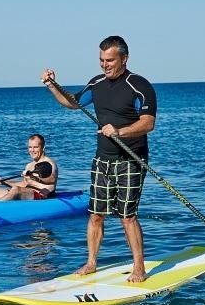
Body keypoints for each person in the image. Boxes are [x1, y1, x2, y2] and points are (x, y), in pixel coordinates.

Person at [41, 35, 157, 283]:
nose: (105, 65)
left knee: (127, 216)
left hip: (131, 159)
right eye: (101, 60)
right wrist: (52, 85)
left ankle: (139, 267)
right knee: (95, 214)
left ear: (124, 59)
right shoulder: (97, 83)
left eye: (110, 60)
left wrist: (119, 131)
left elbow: (148, 123)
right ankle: (91, 262)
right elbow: (72, 103)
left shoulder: (139, 85)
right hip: (102, 159)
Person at [0, 134, 57, 202]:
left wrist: (33, 176)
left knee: (16, 190)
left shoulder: (50, 163)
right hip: (24, 193)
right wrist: (4, 182)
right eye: (30, 147)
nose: (32, 150)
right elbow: (23, 184)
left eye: (36, 147)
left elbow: (51, 179)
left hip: (41, 196)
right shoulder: (29, 166)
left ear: (43, 147)